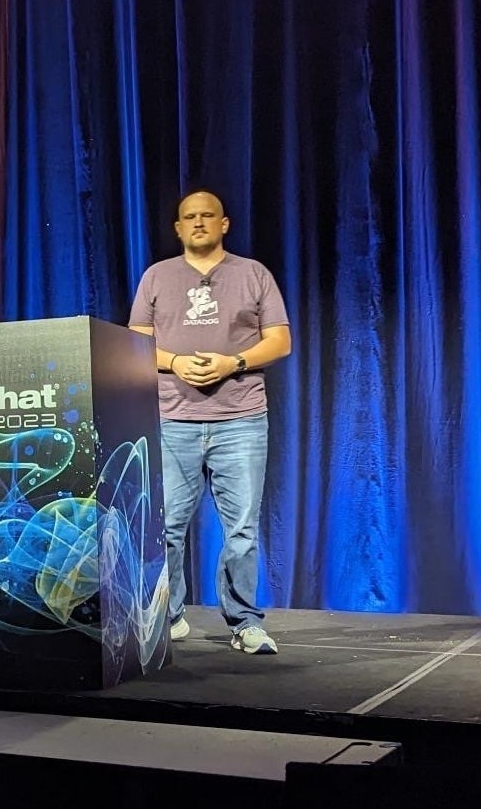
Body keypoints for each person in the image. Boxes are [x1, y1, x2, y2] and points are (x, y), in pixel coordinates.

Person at [128, 190, 292, 655]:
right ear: (178, 228)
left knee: (241, 531)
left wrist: (232, 362)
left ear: (224, 224)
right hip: (172, 419)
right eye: (189, 217)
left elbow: (279, 341)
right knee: (166, 528)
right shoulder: (157, 276)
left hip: (240, 420)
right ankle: (169, 616)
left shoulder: (253, 274)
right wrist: (176, 362)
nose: (198, 222)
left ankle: (245, 623)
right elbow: (134, 342)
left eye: (207, 215)